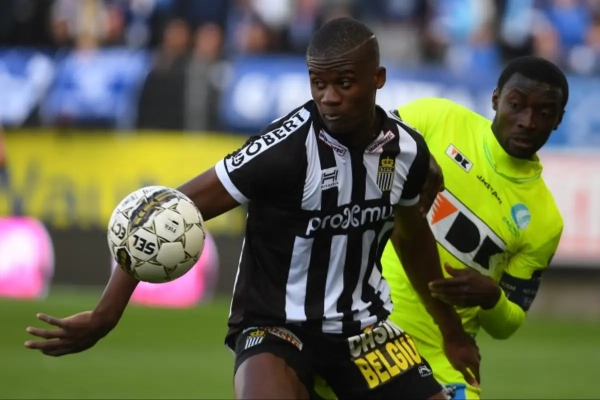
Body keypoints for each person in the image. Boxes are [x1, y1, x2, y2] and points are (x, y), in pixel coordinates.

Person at [24, 17, 480, 400]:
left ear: (377, 79)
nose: (329, 97)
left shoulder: (405, 152)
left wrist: (452, 331)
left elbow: (411, 237)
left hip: (363, 329)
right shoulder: (283, 150)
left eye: (344, 83)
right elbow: (163, 214)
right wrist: (105, 315)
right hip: (276, 328)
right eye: (318, 83)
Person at [379, 56, 567, 400]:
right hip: (364, 331)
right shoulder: (438, 117)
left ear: (558, 120)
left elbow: (507, 324)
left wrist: (493, 298)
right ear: (496, 99)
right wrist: (414, 162)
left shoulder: (545, 220)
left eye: (544, 112)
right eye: (516, 105)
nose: (528, 122)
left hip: (446, 358)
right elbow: (367, 144)